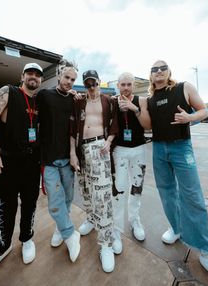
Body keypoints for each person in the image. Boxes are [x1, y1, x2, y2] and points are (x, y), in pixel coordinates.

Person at [0, 63, 43, 281]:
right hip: (9, 161)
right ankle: (1, 246)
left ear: (41, 79)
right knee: (5, 205)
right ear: (22, 76)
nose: (33, 77)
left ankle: (26, 238)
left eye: (37, 74)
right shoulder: (9, 92)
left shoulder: (39, 101)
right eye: (30, 73)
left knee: (30, 203)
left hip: (32, 162)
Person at [147, 59, 208, 274]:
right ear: (151, 75)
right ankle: (176, 228)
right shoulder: (150, 98)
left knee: (192, 196)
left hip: (181, 148)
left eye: (162, 67)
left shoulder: (184, 87)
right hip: (158, 149)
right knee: (166, 192)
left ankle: (206, 249)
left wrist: (189, 117)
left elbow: (204, 111)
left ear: (169, 71)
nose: (159, 71)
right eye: (154, 69)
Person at [70, 70, 118, 273]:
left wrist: (108, 142)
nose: (91, 87)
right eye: (87, 84)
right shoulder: (79, 102)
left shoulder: (108, 100)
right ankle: (91, 219)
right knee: (87, 191)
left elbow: (114, 123)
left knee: (102, 196)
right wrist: (72, 152)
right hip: (82, 149)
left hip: (100, 148)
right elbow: (72, 129)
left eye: (94, 83)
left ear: (99, 82)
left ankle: (106, 243)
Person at [36, 65, 81, 263]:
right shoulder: (44, 95)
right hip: (49, 160)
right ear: (58, 75)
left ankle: (60, 229)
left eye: (72, 79)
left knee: (68, 199)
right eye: (66, 77)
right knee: (55, 202)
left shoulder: (73, 99)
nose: (69, 82)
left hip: (68, 158)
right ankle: (70, 234)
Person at [111, 72, 151, 255]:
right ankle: (117, 230)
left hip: (139, 149)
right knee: (118, 190)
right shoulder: (112, 101)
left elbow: (147, 125)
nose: (126, 88)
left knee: (136, 187)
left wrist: (134, 108)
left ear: (133, 85)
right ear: (118, 85)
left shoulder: (141, 100)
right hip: (119, 150)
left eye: (129, 84)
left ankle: (134, 220)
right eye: (123, 84)